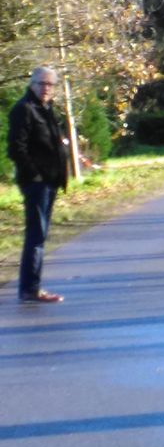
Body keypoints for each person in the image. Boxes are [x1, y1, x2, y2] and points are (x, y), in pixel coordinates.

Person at [7, 66, 68, 303]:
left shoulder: (47, 109)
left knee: (39, 236)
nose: (46, 89)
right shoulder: (24, 109)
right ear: (32, 84)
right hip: (36, 183)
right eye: (42, 84)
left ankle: (31, 287)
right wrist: (35, 175)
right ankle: (30, 289)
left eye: (50, 85)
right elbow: (16, 148)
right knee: (36, 236)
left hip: (50, 182)